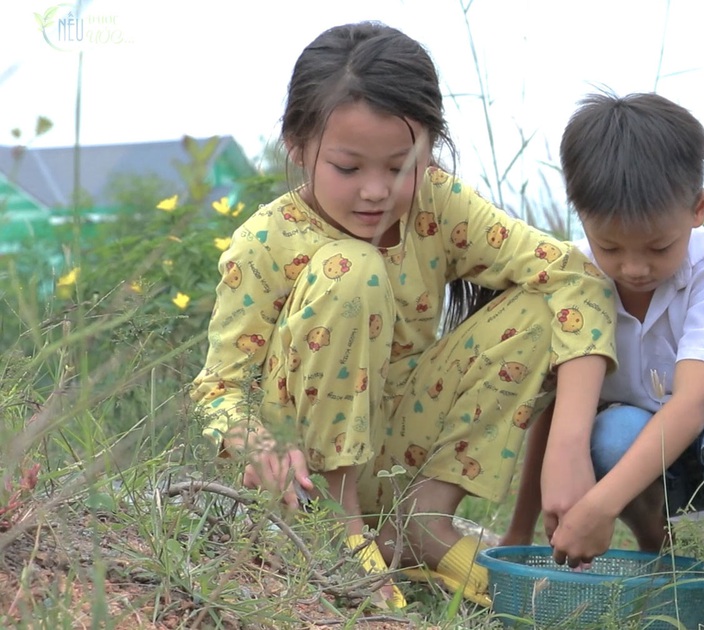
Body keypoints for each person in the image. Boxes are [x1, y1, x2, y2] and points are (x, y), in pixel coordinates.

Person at [189, 22, 617, 610]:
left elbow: (575, 276)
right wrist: (254, 443)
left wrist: (567, 448)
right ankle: (339, 534)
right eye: (347, 168)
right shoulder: (265, 243)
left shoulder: (438, 204)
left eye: (399, 167)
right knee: (351, 269)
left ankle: (419, 523)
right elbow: (218, 388)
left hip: (401, 449)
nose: (376, 192)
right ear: (297, 145)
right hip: (309, 476)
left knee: (545, 300)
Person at [503, 92, 704, 628]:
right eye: (612, 248)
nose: (635, 268)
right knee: (611, 429)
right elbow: (557, 412)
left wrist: (597, 508)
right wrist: (518, 533)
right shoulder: (577, 277)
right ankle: (662, 566)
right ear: (582, 215)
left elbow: (692, 404)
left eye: (659, 248)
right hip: (647, 467)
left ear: (697, 208)